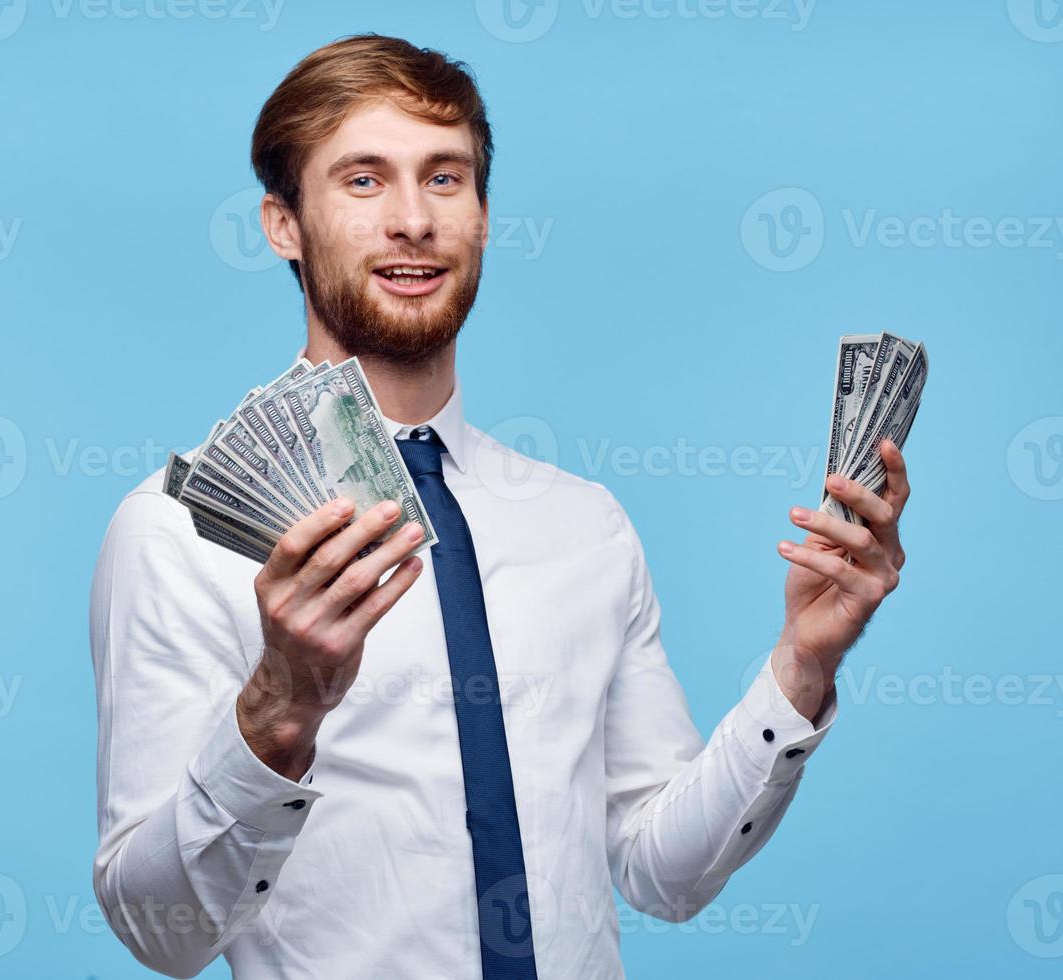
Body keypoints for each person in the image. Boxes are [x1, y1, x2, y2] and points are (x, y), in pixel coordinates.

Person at [89, 34, 909, 979]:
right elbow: (160, 933)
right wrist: (280, 708)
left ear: (481, 215)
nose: (412, 220)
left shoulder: (582, 523)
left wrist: (803, 666)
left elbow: (661, 871)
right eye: (363, 181)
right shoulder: (177, 532)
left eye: (446, 179)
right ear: (284, 225)